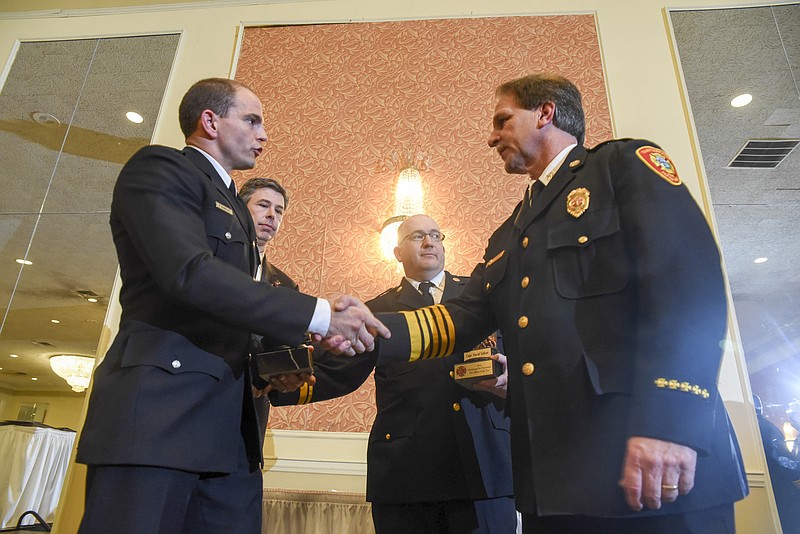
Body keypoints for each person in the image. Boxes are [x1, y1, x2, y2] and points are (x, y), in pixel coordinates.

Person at [357, 74, 748, 533]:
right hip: (558, 482)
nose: (491, 137)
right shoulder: (509, 233)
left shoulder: (620, 167)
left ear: (545, 113)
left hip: (649, 461)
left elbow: (687, 282)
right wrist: (364, 327)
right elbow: (462, 317)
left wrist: (670, 425)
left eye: (503, 120)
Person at [75, 78, 388, 534]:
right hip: (158, 423)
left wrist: (300, 354)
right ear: (209, 121)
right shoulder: (161, 168)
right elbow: (190, 273)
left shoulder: (236, 211)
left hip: (232, 436)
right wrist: (319, 313)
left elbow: (235, 319)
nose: (264, 135)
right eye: (252, 120)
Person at [272, 214, 517, 534]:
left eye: (435, 235)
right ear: (397, 252)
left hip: (485, 467)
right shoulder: (376, 310)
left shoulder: (482, 296)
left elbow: (527, 353)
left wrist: (520, 381)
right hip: (408, 474)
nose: (429, 242)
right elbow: (338, 373)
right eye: (417, 237)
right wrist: (274, 384)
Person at [238, 176, 306, 443]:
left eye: (278, 211)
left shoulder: (286, 285)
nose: (271, 215)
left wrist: (281, 374)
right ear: (241, 209)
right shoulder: (214, 265)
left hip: (253, 406)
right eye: (263, 206)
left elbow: (288, 345)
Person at [754, 395, 800, 533]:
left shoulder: (763, 428)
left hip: (787, 490)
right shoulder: (765, 427)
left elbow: (781, 459)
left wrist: (796, 477)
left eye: (793, 414)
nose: (789, 419)